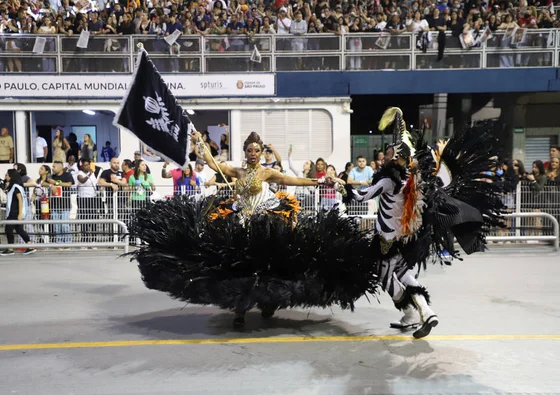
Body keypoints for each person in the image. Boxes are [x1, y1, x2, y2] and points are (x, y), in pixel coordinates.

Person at [127, 131, 382, 329]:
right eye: (248, 150)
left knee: (270, 265)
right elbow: (214, 166)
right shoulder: (236, 170)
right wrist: (200, 145)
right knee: (241, 267)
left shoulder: (266, 173)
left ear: (261, 152)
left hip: (266, 223)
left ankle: (269, 302)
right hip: (241, 223)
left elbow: (292, 180)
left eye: (256, 150)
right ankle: (240, 310)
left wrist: (321, 180)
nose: (252, 153)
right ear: (244, 151)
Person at [344, 107, 504, 338]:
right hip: (406, 236)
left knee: (386, 276)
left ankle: (409, 311)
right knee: (403, 273)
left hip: (386, 239)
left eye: (389, 153)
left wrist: (342, 187)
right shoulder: (411, 177)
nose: (385, 155)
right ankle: (427, 312)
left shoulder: (388, 180)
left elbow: (361, 196)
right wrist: (400, 121)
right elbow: (404, 143)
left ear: (396, 158)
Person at [0, 169, 37, 256]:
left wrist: (20, 213)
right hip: (14, 211)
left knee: (8, 229)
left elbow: (20, 200)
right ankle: (29, 246)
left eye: (7, 174)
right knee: (19, 229)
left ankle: (10, 248)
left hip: (14, 212)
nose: (5, 176)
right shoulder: (15, 186)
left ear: (11, 176)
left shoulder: (16, 186)